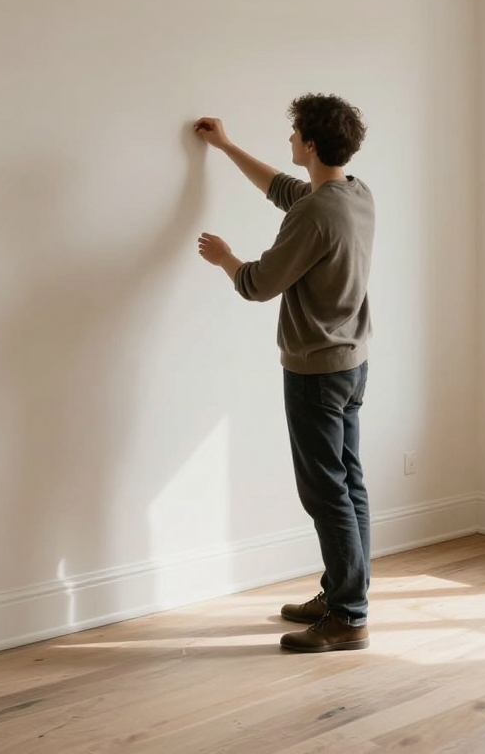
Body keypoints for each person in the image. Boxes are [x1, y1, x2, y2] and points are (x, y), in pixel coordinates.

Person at [194, 94, 375, 653]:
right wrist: (225, 147)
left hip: (315, 371)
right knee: (349, 486)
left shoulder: (315, 215)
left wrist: (225, 257)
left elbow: (257, 283)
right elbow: (284, 189)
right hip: (351, 362)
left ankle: (348, 616)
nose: (290, 141)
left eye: (295, 133)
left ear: (312, 144)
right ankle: (346, 594)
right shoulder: (354, 194)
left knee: (326, 494)